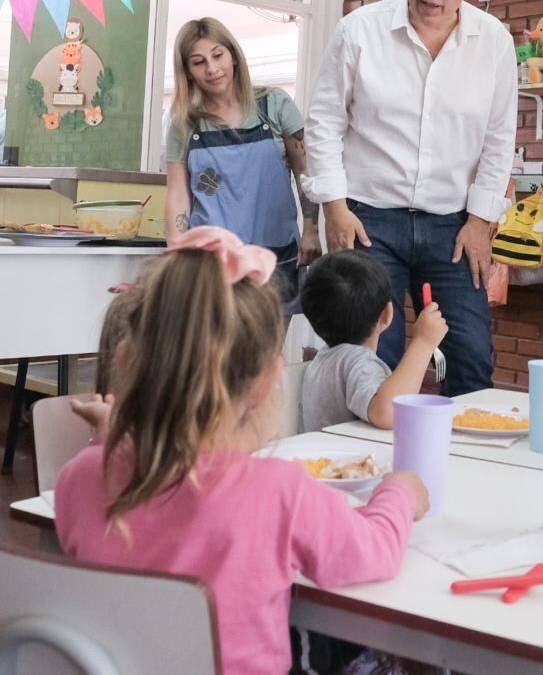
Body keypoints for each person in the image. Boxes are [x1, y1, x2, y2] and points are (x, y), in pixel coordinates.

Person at [55, 226, 429, 675]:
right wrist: (400, 492)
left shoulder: (78, 477)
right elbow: (375, 553)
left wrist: (111, 440)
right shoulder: (278, 492)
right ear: (268, 380)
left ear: (124, 362)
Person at [305, 0, 516, 395]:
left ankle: (460, 465)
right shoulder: (359, 30)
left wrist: (482, 221)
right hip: (368, 219)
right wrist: (334, 207)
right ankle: (382, 463)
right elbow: (324, 122)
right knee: (375, 356)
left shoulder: (494, 41)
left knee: (471, 354)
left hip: (455, 227)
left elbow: (500, 137)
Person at [164, 17, 320, 301]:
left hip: (275, 256)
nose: (212, 69)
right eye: (198, 62)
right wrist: (177, 250)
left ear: (233, 55)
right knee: (214, 346)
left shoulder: (275, 104)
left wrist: (311, 229)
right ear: (187, 72)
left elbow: (305, 170)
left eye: (217, 55)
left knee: (269, 346)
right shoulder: (183, 123)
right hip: (210, 262)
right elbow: (177, 193)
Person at [299, 250, 449, 432]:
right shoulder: (357, 361)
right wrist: (423, 343)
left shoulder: (323, 359)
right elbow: (388, 413)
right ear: (387, 313)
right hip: (351, 458)